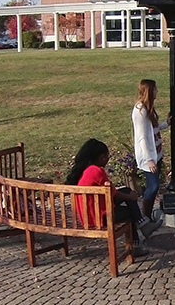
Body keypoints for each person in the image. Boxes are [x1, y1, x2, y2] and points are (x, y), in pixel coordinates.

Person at [66, 138, 154, 256]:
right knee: (130, 212)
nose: (108, 159)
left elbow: (112, 192)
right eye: (107, 156)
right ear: (101, 156)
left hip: (87, 215)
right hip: (97, 218)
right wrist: (131, 198)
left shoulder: (84, 170)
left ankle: (142, 223)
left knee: (126, 191)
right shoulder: (96, 171)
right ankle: (136, 244)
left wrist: (128, 195)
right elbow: (112, 192)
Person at [133, 79, 169, 227]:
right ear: (149, 91)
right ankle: (144, 216)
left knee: (154, 186)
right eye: (155, 89)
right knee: (152, 186)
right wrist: (149, 159)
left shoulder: (149, 108)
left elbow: (152, 129)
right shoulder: (140, 111)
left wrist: (166, 123)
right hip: (149, 157)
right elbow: (142, 137)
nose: (157, 92)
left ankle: (147, 215)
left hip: (156, 154)